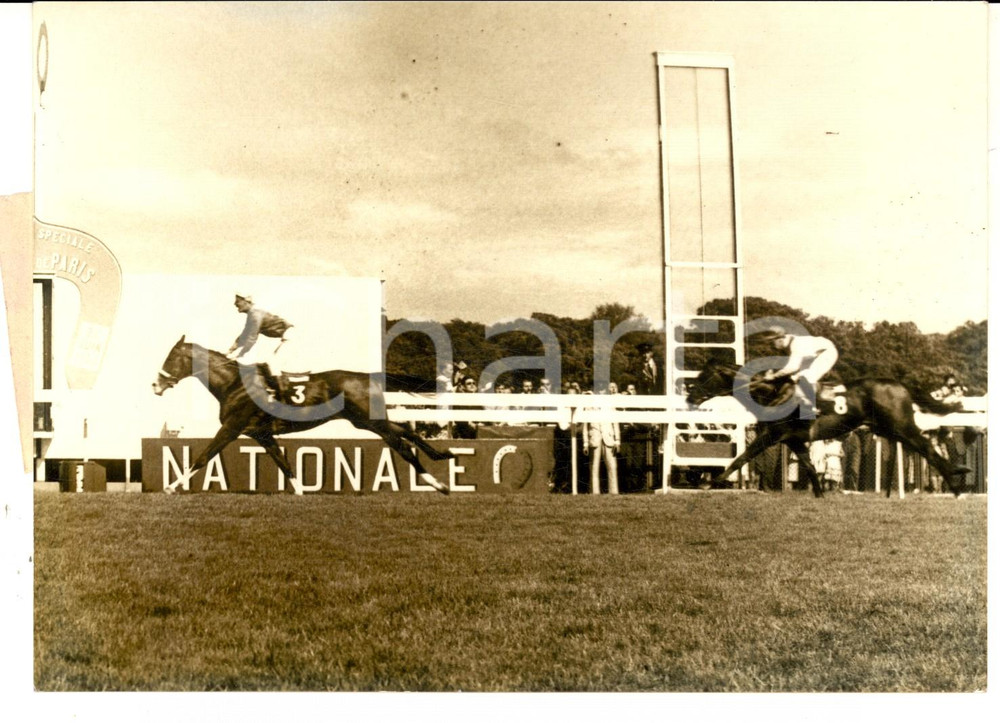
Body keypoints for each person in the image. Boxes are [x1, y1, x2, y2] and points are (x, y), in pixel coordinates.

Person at [759, 325, 839, 417]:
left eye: (772, 342)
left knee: (805, 378)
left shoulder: (796, 345)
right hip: (815, 355)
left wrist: (774, 376)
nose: (771, 345)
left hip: (827, 353)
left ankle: (819, 406)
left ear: (779, 340)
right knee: (794, 378)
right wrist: (772, 371)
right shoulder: (787, 342)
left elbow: (792, 367)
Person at [226, 293, 295, 398]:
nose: (235, 304)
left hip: (291, 335)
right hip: (287, 335)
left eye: (237, 301)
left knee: (273, 361)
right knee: (268, 361)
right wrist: (229, 351)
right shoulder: (252, 315)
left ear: (246, 301)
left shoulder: (255, 315)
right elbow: (243, 336)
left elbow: (252, 338)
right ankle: (277, 391)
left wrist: (240, 354)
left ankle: (282, 396)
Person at [582, 385, 621, 494]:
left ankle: (614, 492)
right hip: (594, 438)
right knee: (594, 467)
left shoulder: (610, 406)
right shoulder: (589, 406)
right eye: (599, 391)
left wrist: (617, 440)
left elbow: (615, 424)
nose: (601, 394)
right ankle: (595, 493)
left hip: (609, 438)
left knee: (612, 466)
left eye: (603, 392)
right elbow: (585, 426)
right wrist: (585, 443)